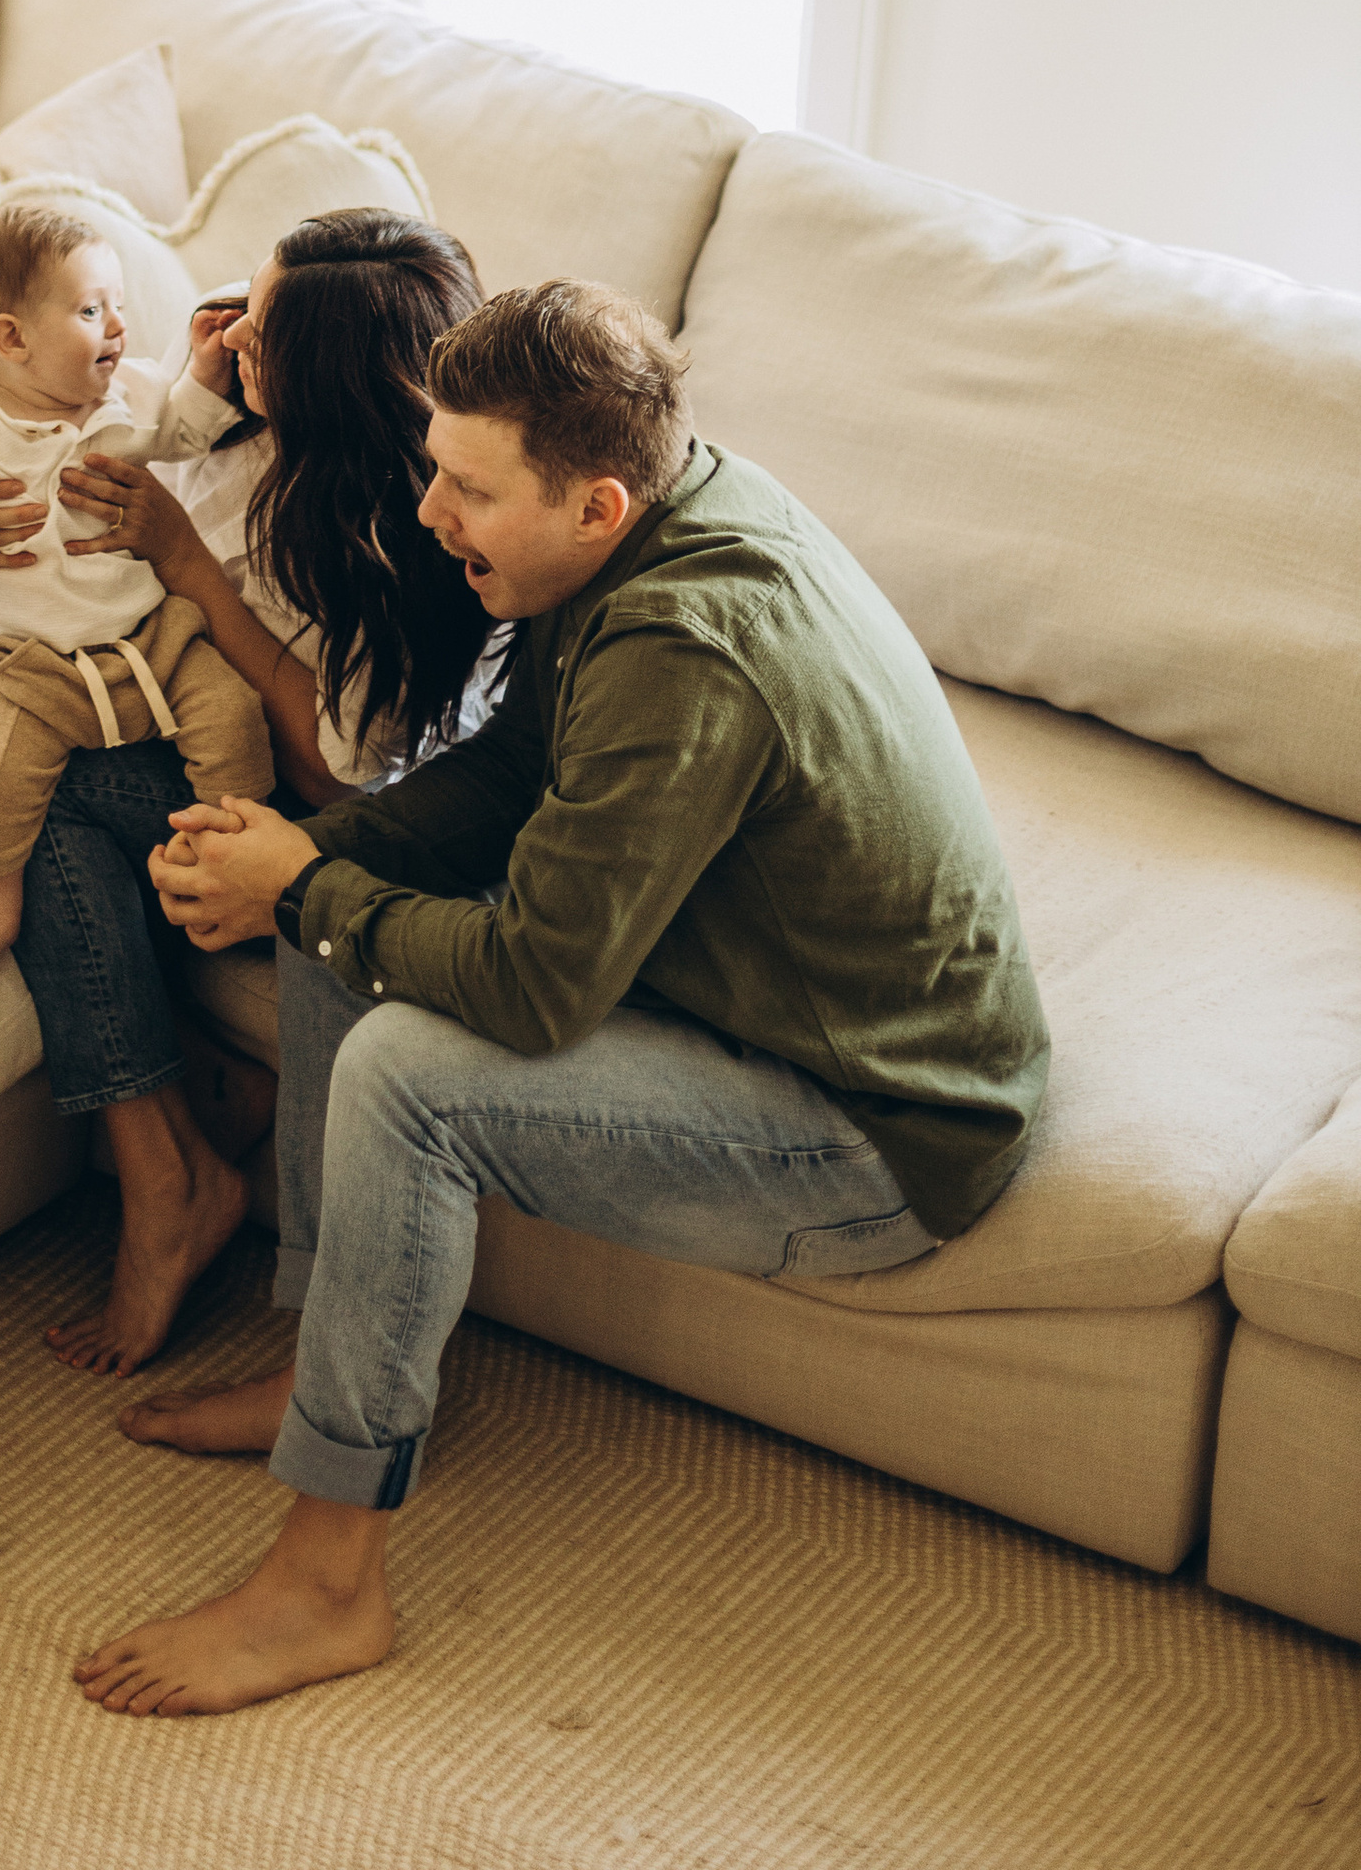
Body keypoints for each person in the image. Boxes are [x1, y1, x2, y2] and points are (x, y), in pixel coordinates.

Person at [73, 277, 1051, 1722]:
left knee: (400, 1060)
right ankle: (322, 1372)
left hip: (873, 1123)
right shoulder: (658, 507)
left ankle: (330, 1583)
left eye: (469, 491)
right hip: (751, 996)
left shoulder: (686, 646)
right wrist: (314, 854)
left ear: (596, 505)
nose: (429, 516)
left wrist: (300, 886)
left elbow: (535, 989)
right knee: (344, 907)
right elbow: (515, 764)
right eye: (436, 473)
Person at [0, 208, 485, 1373]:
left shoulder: (389, 531)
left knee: (32, 785)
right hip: (129, 671)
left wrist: (186, 562)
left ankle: (164, 1172)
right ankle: (207, 1079)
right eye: (243, 299)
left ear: (326, 381)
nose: (229, 329)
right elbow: (61, 417)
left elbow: (333, 774)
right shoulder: (222, 392)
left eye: (260, 328)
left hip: (266, 777)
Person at [0, 205, 265, 982]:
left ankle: (225, 852)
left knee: (232, 714)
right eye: (91, 310)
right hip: (35, 666)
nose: (118, 326)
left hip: (154, 639)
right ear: (11, 338)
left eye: (117, 305)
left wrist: (203, 375)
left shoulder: (129, 394)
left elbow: (185, 430)